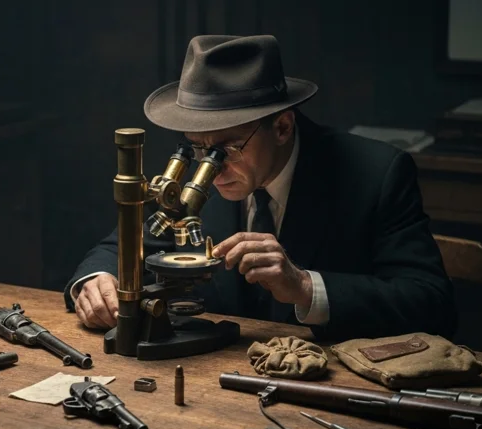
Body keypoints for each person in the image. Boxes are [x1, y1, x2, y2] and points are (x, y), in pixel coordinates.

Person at [63, 34, 456, 342]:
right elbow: (117, 247)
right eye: (198, 149)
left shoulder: (376, 174)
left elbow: (431, 305)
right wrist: (96, 283)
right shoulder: (202, 158)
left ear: (283, 127)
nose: (210, 171)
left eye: (226, 150)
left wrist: (304, 287)